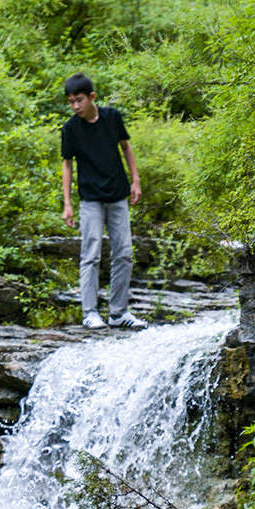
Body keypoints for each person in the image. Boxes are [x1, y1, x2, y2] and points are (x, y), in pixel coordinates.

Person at [60, 72, 146, 331]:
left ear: (91, 97)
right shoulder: (70, 128)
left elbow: (126, 147)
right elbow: (67, 165)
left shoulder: (112, 117)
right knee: (91, 255)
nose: (75, 106)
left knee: (124, 254)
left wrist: (136, 180)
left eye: (79, 100)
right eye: (71, 102)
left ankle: (118, 312)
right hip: (90, 200)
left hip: (118, 195)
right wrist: (67, 203)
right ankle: (90, 312)